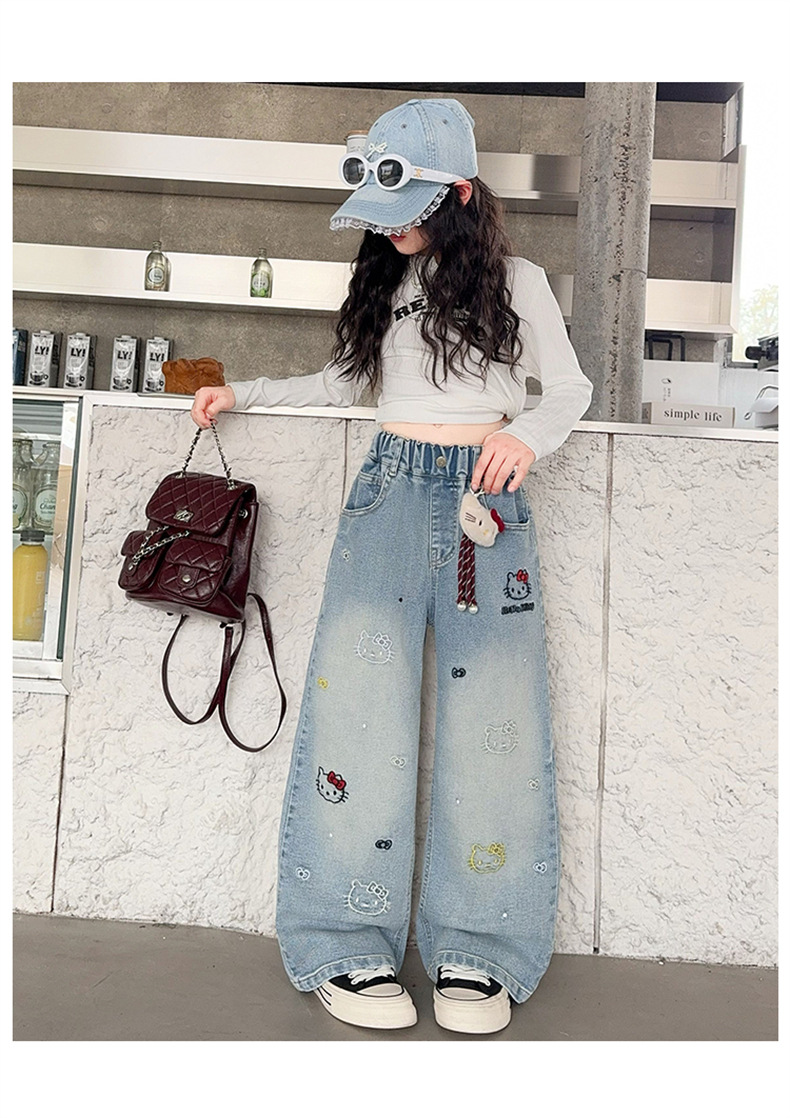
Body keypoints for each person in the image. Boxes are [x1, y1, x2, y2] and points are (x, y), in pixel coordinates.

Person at [191, 97, 593, 1035]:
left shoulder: (519, 282)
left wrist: (527, 438)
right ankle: (345, 938)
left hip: (485, 502)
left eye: (408, 209)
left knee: (494, 720)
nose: (393, 228)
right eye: (384, 212)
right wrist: (242, 391)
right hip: (389, 490)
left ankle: (481, 947)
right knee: (359, 714)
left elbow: (570, 389)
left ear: (460, 195)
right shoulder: (390, 278)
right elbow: (342, 381)